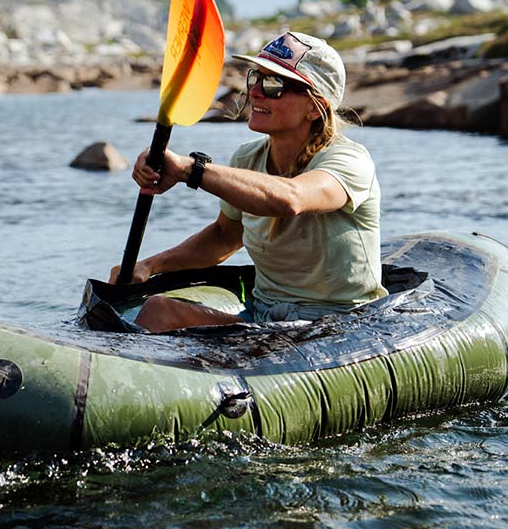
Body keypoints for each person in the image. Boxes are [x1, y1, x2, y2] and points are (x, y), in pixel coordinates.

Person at [109, 31, 387, 333]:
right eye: (255, 78)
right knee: (158, 310)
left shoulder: (349, 161)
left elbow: (291, 199)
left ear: (313, 106)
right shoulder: (248, 158)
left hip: (338, 324)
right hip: (266, 316)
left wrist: (191, 170)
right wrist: (148, 267)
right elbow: (223, 237)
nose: (255, 92)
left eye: (273, 85)